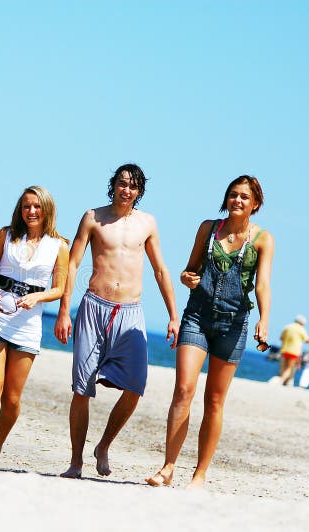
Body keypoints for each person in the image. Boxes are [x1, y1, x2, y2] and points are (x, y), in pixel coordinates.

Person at [146, 175, 274, 489]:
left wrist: (264, 321)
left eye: (245, 197)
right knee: (183, 390)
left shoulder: (263, 240)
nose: (238, 201)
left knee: (214, 401)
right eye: (233, 195)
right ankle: (168, 467)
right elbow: (190, 270)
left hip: (233, 324)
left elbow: (263, 284)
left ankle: (200, 475)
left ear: (254, 204)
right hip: (197, 318)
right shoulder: (208, 229)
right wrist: (188, 278)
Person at [54, 163, 179, 479]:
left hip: (130, 312)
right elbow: (72, 264)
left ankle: (104, 445)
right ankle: (76, 462)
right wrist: (64, 311)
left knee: (135, 387)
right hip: (94, 307)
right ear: (114, 185)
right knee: (82, 389)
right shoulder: (93, 217)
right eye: (123, 183)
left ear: (139, 192)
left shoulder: (147, 223)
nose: (127, 190)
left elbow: (161, 270)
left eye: (134, 186)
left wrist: (173, 316)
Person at [0, 186, 70, 472]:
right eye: (26, 206)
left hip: (28, 324)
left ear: (47, 210)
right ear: (20, 209)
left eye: (37, 207)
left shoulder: (59, 246)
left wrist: (37, 297)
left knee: (12, 398)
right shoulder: (5, 235)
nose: (31, 211)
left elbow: (60, 288)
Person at [279, 315, 309, 386]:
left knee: (283, 367)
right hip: (294, 351)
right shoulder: (302, 329)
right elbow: (307, 340)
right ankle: (281, 381)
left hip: (284, 349)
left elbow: (281, 338)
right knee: (289, 368)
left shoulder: (287, 327)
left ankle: (284, 381)